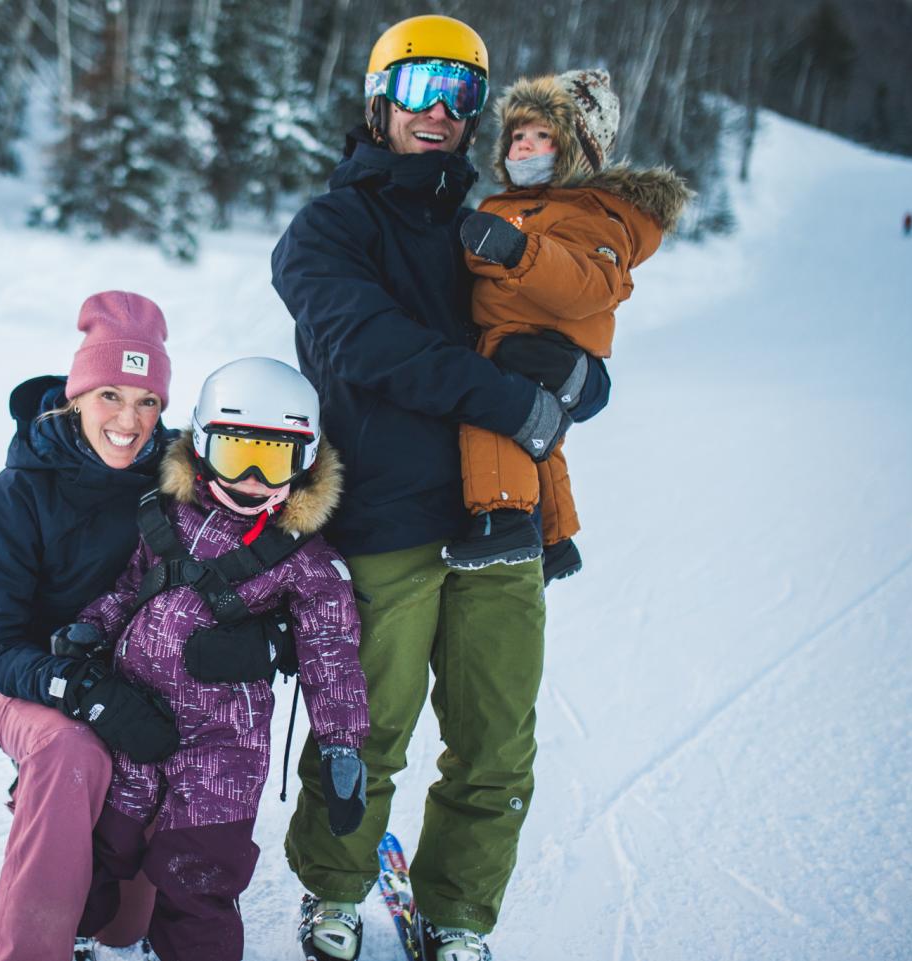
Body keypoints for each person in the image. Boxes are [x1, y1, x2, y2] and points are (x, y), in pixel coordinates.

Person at [269, 15, 611, 961]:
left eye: (462, 95)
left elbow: (566, 309)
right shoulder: (329, 229)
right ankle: (333, 890)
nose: (441, 112)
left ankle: (459, 909)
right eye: (420, 89)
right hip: (383, 515)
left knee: (496, 741)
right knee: (365, 727)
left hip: (501, 513)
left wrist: (583, 378)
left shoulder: (495, 227)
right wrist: (510, 398)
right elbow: (367, 345)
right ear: (380, 102)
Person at [66, 358, 370, 961]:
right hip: (132, 717)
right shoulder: (166, 517)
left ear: (306, 463)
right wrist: (89, 629)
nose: (254, 479)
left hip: (223, 747)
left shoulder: (305, 558)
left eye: (276, 459)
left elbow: (330, 651)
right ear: (202, 447)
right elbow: (130, 589)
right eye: (237, 456)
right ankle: (71, 930)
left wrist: (341, 742)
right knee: (102, 843)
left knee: (201, 869)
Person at [0, 290, 180, 961]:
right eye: (111, 394)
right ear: (77, 396)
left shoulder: (175, 485)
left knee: (122, 928)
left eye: (148, 401)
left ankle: (66, 854)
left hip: (134, 688)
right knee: (71, 751)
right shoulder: (18, 491)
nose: (129, 418)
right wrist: (74, 689)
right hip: (27, 688)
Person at [439, 68, 691, 575]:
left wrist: (519, 252)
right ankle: (555, 539)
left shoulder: (595, 214)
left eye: (543, 136)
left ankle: (503, 516)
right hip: (509, 332)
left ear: (579, 149)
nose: (526, 147)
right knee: (538, 438)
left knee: (493, 414)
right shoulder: (507, 204)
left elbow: (589, 285)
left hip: (541, 341)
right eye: (517, 136)